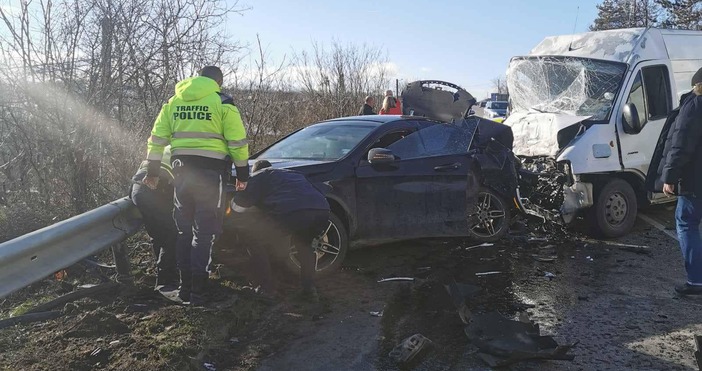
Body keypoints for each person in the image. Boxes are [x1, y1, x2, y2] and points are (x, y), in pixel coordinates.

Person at [144, 66, 250, 305]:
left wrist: (152, 172)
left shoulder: (173, 101)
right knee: (204, 234)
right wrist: (243, 174)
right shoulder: (222, 102)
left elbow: (156, 139)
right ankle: (199, 291)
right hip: (211, 176)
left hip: (181, 173)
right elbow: (237, 141)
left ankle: (184, 288)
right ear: (218, 82)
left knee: (184, 231)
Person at [232, 160, 330, 301]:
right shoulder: (293, 174)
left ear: (255, 170)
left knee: (253, 240)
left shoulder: (258, 176)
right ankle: (309, 289)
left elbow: (241, 203)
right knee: (305, 246)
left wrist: (231, 213)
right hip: (321, 210)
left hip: (291, 211)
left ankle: (264, 289)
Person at [650, 67, 702, 295]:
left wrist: (669, 178)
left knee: (686, 224)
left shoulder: (694, 106)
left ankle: (697, 280)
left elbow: (680, 145)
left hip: (694, 182)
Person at [130, 146, 178, 291]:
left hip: (138, 189)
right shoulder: (185, 148)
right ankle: (166, 280)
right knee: (172, 232)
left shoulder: (164, 147)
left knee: (158, 234)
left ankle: (165, 277)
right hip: (158, 186)